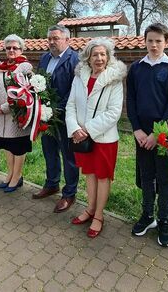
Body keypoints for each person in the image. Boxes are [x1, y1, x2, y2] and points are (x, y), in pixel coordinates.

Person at [126, 23, 168, 247]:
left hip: (164, 136)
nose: (153, 45)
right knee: (146, 176)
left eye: (158, 41)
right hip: (141, 134)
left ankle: (164, 221)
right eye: (150, 40)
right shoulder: (136, 68)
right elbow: (131, 100)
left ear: (166, 42)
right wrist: (137, 129)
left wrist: (156, 134)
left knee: (165, 179)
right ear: (145, 41)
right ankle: (148, 215)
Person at [66, 38, 126, 238]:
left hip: (104, 139)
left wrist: (86, 130)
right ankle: (90, 209)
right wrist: (74, 128)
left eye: (103, 54)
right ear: (88, 58)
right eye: (95, 54)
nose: (99, 58)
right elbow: (71, 105)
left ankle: (99, 215)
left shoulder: (114, 80)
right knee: (89, 174)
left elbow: (114, 112)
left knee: (102, 177)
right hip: (81, 137)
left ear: (108, 57)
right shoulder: (79, 77)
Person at [34, 25, 81, 213]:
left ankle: (69, 193)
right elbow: (38, 81)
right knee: (49, 150)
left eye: (56, 38)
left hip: (64, 117)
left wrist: (57, 109)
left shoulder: (75, 59)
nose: (52, 42)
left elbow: (75, 89)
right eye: (50, 39)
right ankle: (52, 183)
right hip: (45, 116)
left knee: (68, 156)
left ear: (67, 40)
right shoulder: (45, 57)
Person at [0, 34, 32, 192]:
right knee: (6, 146)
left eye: (15, 48)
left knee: (18, 147)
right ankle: (9, 174)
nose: (11, 50)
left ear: (21, 49)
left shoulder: (25, 67)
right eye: (8, 48)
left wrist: (5, 107)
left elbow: (25, 92)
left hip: (16, 115)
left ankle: (17, 176)